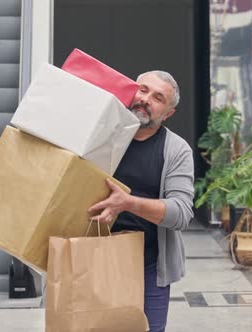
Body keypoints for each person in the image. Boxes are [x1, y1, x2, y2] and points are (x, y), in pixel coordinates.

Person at [88, 70, 195, 332]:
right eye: (143, 89)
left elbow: (181, 213)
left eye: (158, 98)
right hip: (90, 261)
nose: (146, 99)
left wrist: (127, 203)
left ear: (167, 113)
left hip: (148, 267)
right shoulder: (98, 134)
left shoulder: (176, 150)